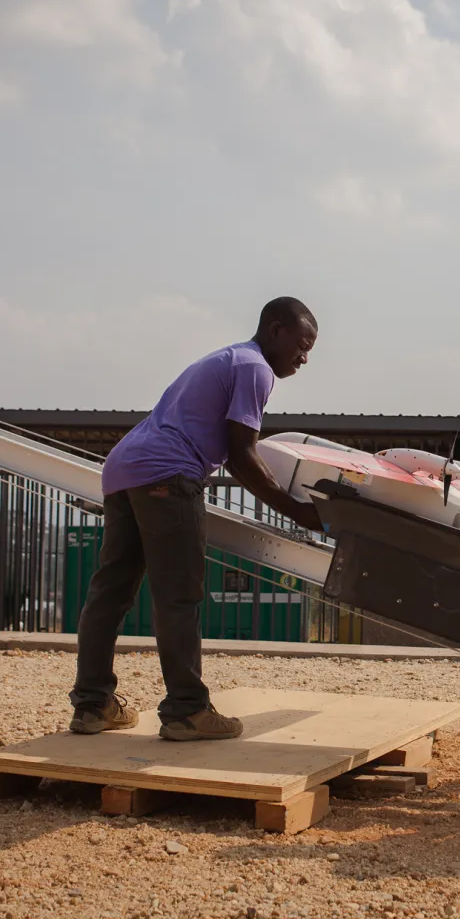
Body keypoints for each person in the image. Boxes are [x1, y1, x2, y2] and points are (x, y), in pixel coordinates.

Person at [68, 297, 324, 742]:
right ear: (276, 329)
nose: (303, 358)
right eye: (302, 346)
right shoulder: (254, 367)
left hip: (124, 467)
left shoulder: (227, 357)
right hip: (168, 472)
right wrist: (299, 511)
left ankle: (92, 707)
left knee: (110, 591)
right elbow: (243, 456)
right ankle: (187, 710)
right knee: (178, 596)